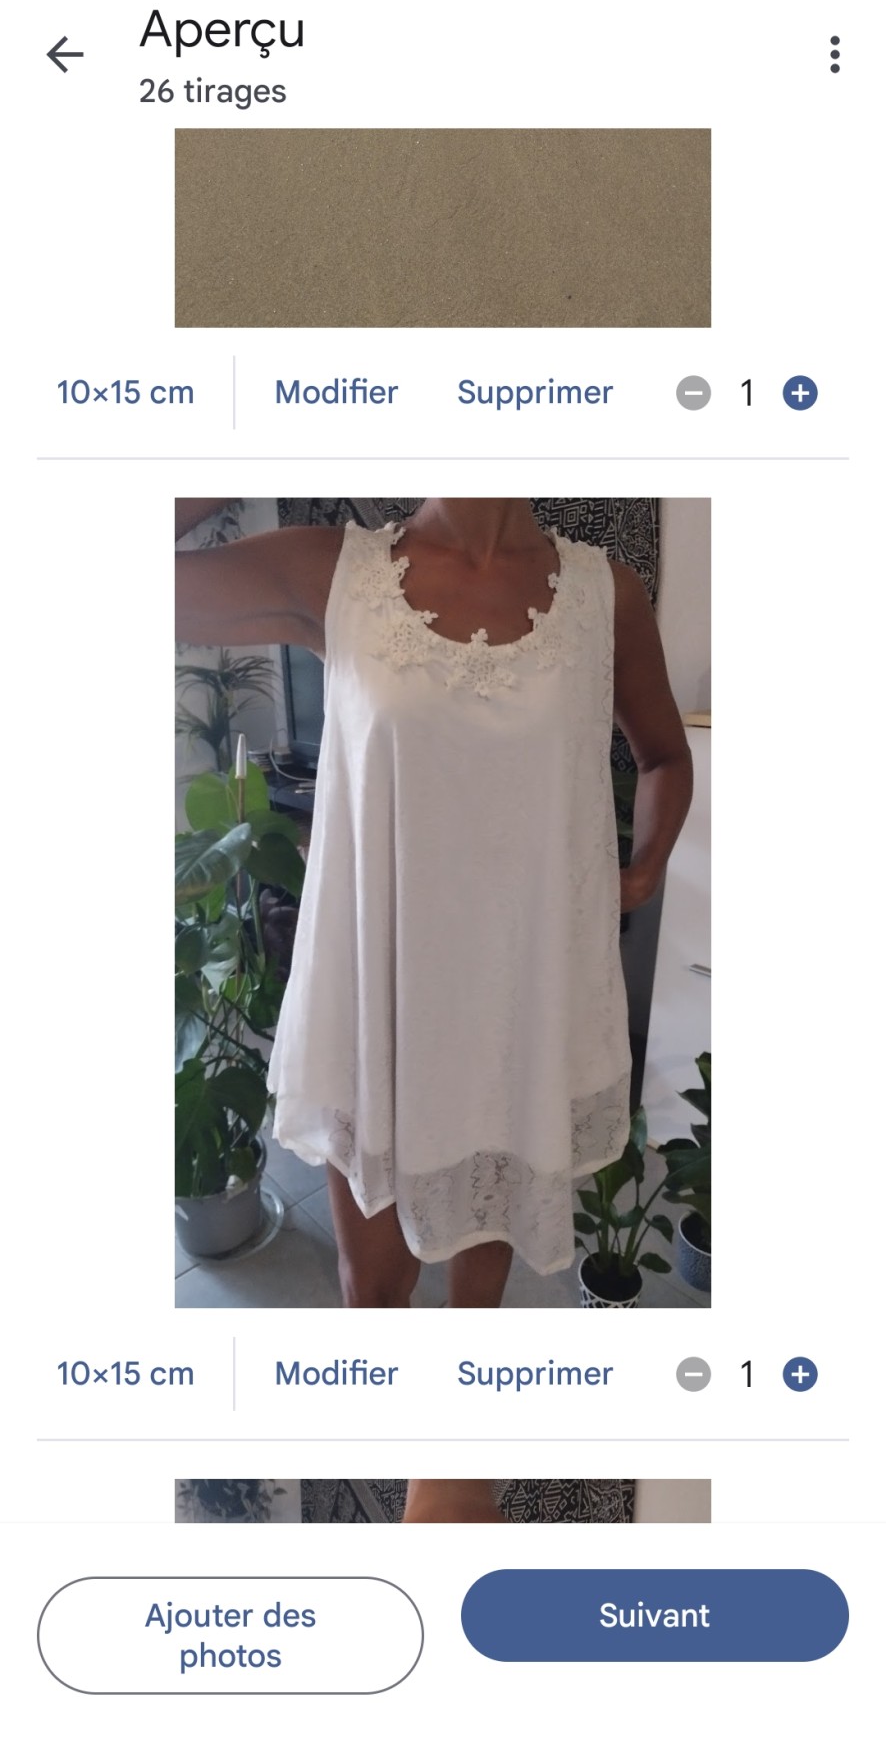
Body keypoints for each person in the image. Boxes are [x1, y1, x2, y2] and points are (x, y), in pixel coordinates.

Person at [176, 499, 692, 1308]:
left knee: (475, 1306)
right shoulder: (332, 572)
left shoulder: (606, 596)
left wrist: (643, 870)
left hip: (515, 1020)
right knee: (375, 1295)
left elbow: (664, 756)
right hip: (378, 1009)